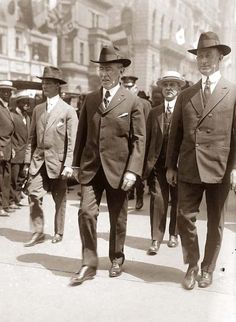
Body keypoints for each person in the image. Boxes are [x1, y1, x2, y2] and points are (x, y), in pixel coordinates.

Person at [166, 32, 236, 290]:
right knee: (184, 217)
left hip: (220, 167)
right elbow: (176, 134)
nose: (204, 60)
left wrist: (235, 168)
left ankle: (207, 268)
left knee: (216, 223)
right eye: (200, 56)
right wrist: (171, 165)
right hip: (189, 166)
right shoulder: (187, 94)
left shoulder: (232, 92)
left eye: (209, 55)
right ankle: (192, 264)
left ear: (220, 58)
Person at [70, 45, 146, 286]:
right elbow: (82, 134)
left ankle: (116, 258)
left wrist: (133, 171)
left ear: (120, 71)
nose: (104, 74)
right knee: (86, 213)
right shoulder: (90, 99)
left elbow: (139, 139)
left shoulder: (132, 101)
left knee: (118, 218)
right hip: (92, 169)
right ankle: (88, 263)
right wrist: (75, 165)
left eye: (110, 69)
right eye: (101, 69)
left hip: (120, 171)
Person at [24, 66, 78, 247]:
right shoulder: (38, 109)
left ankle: (58, 231)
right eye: (43, 82)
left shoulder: (68, 111)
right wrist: (27, 162)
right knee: (33, 194)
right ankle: (37, 231)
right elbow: (31, 138)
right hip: (38, 161)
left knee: (59, 199)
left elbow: (72, 142)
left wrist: (69, 165)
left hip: (59, 163)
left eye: (48, 83)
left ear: (57, 86)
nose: (44, 86)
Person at [143, 71, 185, 255]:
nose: (169, 88)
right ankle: (155, 238)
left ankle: (174, 234)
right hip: (158, 165)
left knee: (177, 200)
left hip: (179, 165)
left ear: (179, 88)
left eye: (173, 85)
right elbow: (147, 140)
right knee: (158, 199)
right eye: (166, 84)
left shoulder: (184, 112)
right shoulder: (154, 112)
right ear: (161, 88)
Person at [121, 75, 151, 210]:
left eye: (130, 86)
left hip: (139, 143)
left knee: (138, 173)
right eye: (125, 86)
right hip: (125, 144)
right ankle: (127, 196)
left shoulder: (144, 104)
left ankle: (139, 197)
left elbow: (149, 126)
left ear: (136, 88)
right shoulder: (120, 102)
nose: (127, 89)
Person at [9, 91, 31, 210]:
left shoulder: (27, 117)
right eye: (24, 102)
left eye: (28, 102)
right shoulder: (12, 116)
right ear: (18, 103)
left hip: (25, 153)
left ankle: (16, 199)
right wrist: (12, 148)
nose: (27, 104)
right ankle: (10, 200)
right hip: (15, 152)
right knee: (13, 177)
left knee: (21, 177)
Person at [0, 81, 15, 216]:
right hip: (1, 148)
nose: (8, 93)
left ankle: (4, 205)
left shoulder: (7, 107)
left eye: (9, 91)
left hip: (8, 148)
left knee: (6, 178)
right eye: (5, 91)